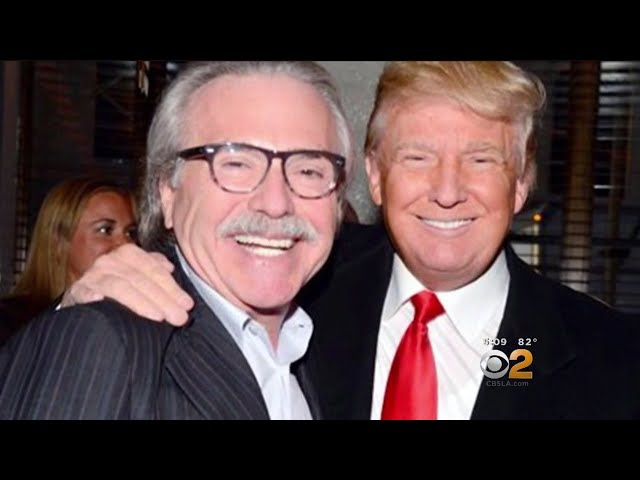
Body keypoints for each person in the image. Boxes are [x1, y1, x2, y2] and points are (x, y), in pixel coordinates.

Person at [59, 61, 640, 420]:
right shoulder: (300, 287)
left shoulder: (614, 359)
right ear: (375, 176)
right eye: (417, 158)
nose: (447, 191)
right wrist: (96, 296)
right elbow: (214, 239)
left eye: (482, 159)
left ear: (521, 183)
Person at [0, 61, 354, 419]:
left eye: (309, 171)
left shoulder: (313, 351)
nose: (276, 203)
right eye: (236, 165)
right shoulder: (106, 343)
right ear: (168, 193)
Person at [0, 176, 137, 346]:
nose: (126, 245)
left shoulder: (133, 321)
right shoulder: (10, 322)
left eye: (131, 233)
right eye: (105, 230)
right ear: (58, 242)